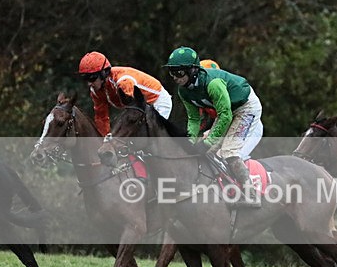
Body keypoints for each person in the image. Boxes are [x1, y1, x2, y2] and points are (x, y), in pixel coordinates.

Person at [163, 46, 264, 203]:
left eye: (179, 72)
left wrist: (208, 142)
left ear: (193, 70)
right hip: (226, 110)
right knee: (209, 152)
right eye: (172, 72)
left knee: (229, 153)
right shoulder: (183, 91)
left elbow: (225, 115)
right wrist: (189, 142)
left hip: (245, 107)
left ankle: (251, 194)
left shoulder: (213, 84)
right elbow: (194, 119)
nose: (175, 77)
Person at [78, 51, 173, 136]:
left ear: (104, 73)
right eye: (85, 79)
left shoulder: (124, 82)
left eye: (92, 78)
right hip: (140, 107)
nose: (89, 83)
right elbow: (101, 117)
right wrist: (105, 139)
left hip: (157, 101)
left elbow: (133, 113)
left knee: (144, 132)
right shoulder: (96, 91)